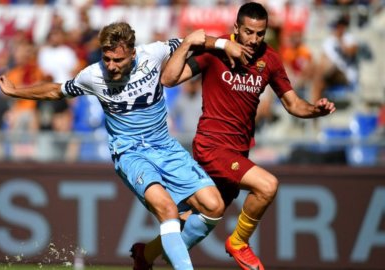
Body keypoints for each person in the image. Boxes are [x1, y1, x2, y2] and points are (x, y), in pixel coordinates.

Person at [0, 21, 248, 270]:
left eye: (118, 60)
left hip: (165, 146)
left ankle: (147, 254)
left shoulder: (154, 53)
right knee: (168, 210)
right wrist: (16, 91)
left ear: (133, 53)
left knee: (214, 207)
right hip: (130, 154)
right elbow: (55, 91)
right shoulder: (93, 76)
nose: (111, 66)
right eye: (107, 59)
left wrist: (225, 44)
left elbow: (194, 39)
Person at [136, 2, 337, 270]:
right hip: (212, 147)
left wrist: (315, 110)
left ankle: (145, 255)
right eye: (248, 32)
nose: (254, 39)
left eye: (260, 33)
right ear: (236, 28)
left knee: (201, 219)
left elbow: (292, 104)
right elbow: (169, 79)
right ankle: (239, 242)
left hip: (239, 150)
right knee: (267, 186)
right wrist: (190, 45)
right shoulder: (215, 51)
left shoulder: (271, 60)